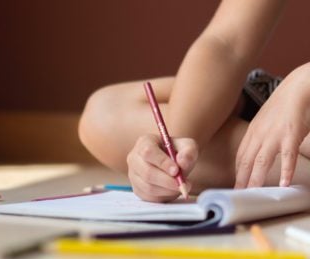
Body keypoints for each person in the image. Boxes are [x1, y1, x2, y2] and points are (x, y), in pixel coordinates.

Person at [78, 0, 310, 202]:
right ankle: (290, 173)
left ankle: (287, 172)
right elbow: (227, 43)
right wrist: (174, 155)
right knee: (105, 113)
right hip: (284, 96)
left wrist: (302, 80)